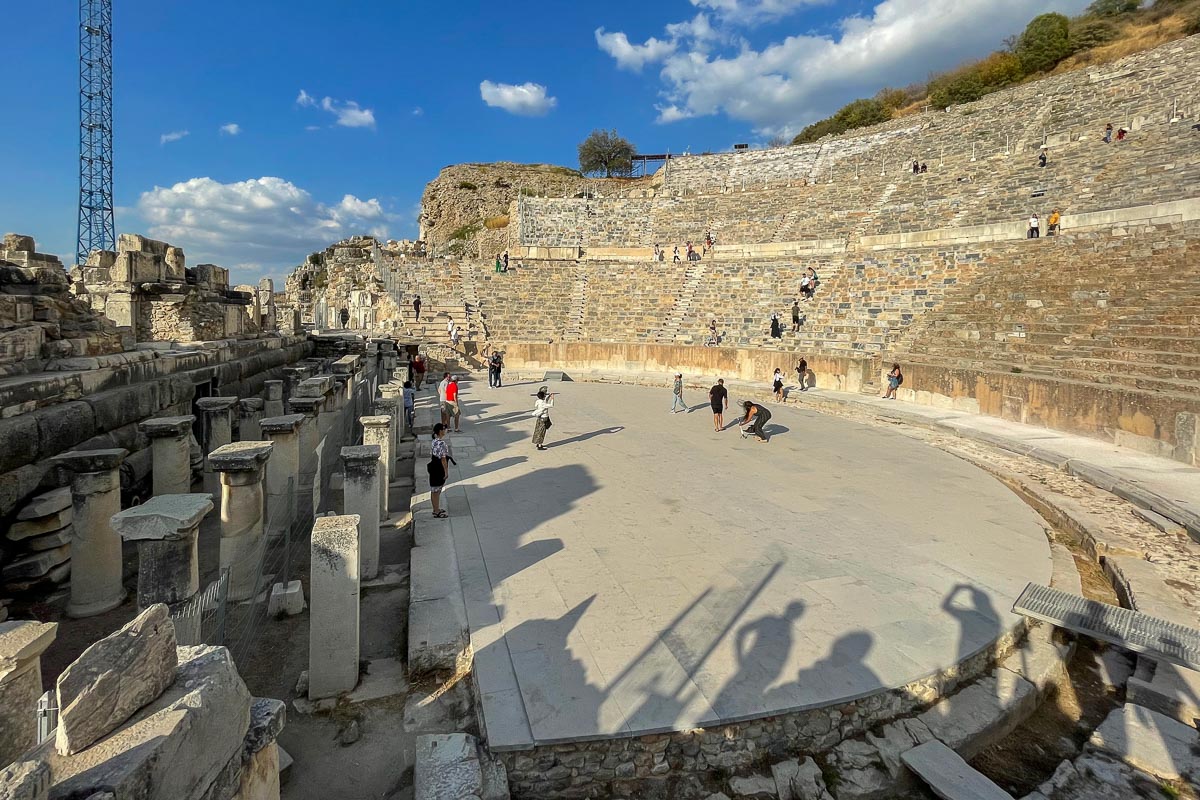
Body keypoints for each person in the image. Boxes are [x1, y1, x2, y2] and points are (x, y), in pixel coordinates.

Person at [428, 423, 450, 518]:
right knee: (437, 490)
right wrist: (446, 471)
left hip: (433, 466)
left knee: (434, 490)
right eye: (444, 429)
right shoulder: (442, 444)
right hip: (439, 467)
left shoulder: (434, 441)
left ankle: (435, 508)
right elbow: (443, 459)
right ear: (440, 431)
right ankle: (437, 511)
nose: (445, 430)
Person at [531, 386, 554, 451]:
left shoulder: (538, 401)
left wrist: (549, 396)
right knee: (542, 432)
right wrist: (552, 398)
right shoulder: (543, 404)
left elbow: (545, 400)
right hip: (544, 418)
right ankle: (540, 445)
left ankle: (537, 443)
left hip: (539, 418)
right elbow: (551, 405)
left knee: (538, 431)